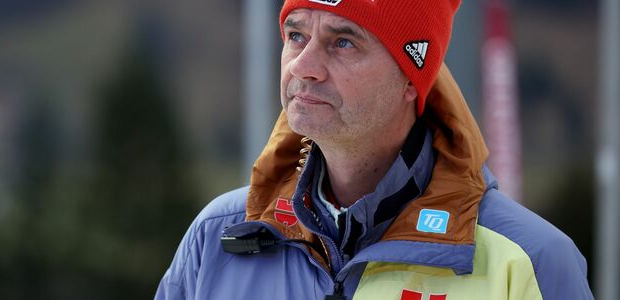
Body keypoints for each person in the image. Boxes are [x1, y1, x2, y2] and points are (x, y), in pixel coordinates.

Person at [156, 0, 594, 299]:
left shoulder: (525, 262)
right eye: (295, 35)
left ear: (411, 78)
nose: (303, 67)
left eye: (343, 42)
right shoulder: (218, 236)